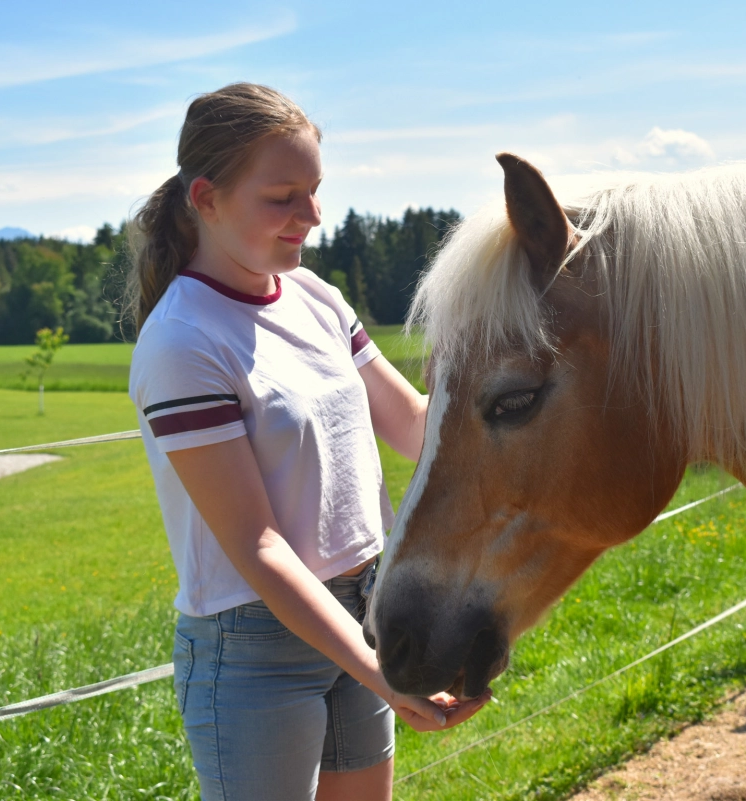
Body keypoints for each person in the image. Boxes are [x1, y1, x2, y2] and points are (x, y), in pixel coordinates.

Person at [125, 83, 489, 801]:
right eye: (283, 195)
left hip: (368, 606)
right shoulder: (183, 342)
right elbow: (257, 546)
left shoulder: (317, 297)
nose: (313, 216)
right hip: (255, 646)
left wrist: (482, 339)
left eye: (316, 190)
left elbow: (418, 429)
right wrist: (374, 667)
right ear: (205, 197)